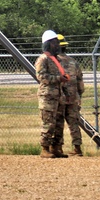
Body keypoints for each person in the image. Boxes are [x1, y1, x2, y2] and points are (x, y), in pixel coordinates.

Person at [35, 30, 66, 159]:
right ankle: (45, 148)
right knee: (48, 122)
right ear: (48, 44)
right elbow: (41, 76)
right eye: (55, 42)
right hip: (47, 96)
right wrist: (59, 78)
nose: (57, 45)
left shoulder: (56, 59)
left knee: (59, 122)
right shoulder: (43, 59)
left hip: (58, 95)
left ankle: (56, 147)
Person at [55, 34, 85, 156]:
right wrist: (79, 94)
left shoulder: (54, 63)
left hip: (60, 97)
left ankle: (58, 148)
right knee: (74, 123)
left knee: (59, 122)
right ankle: (77, 148)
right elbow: (80, 82)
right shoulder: (74, 62)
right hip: (73, 97)